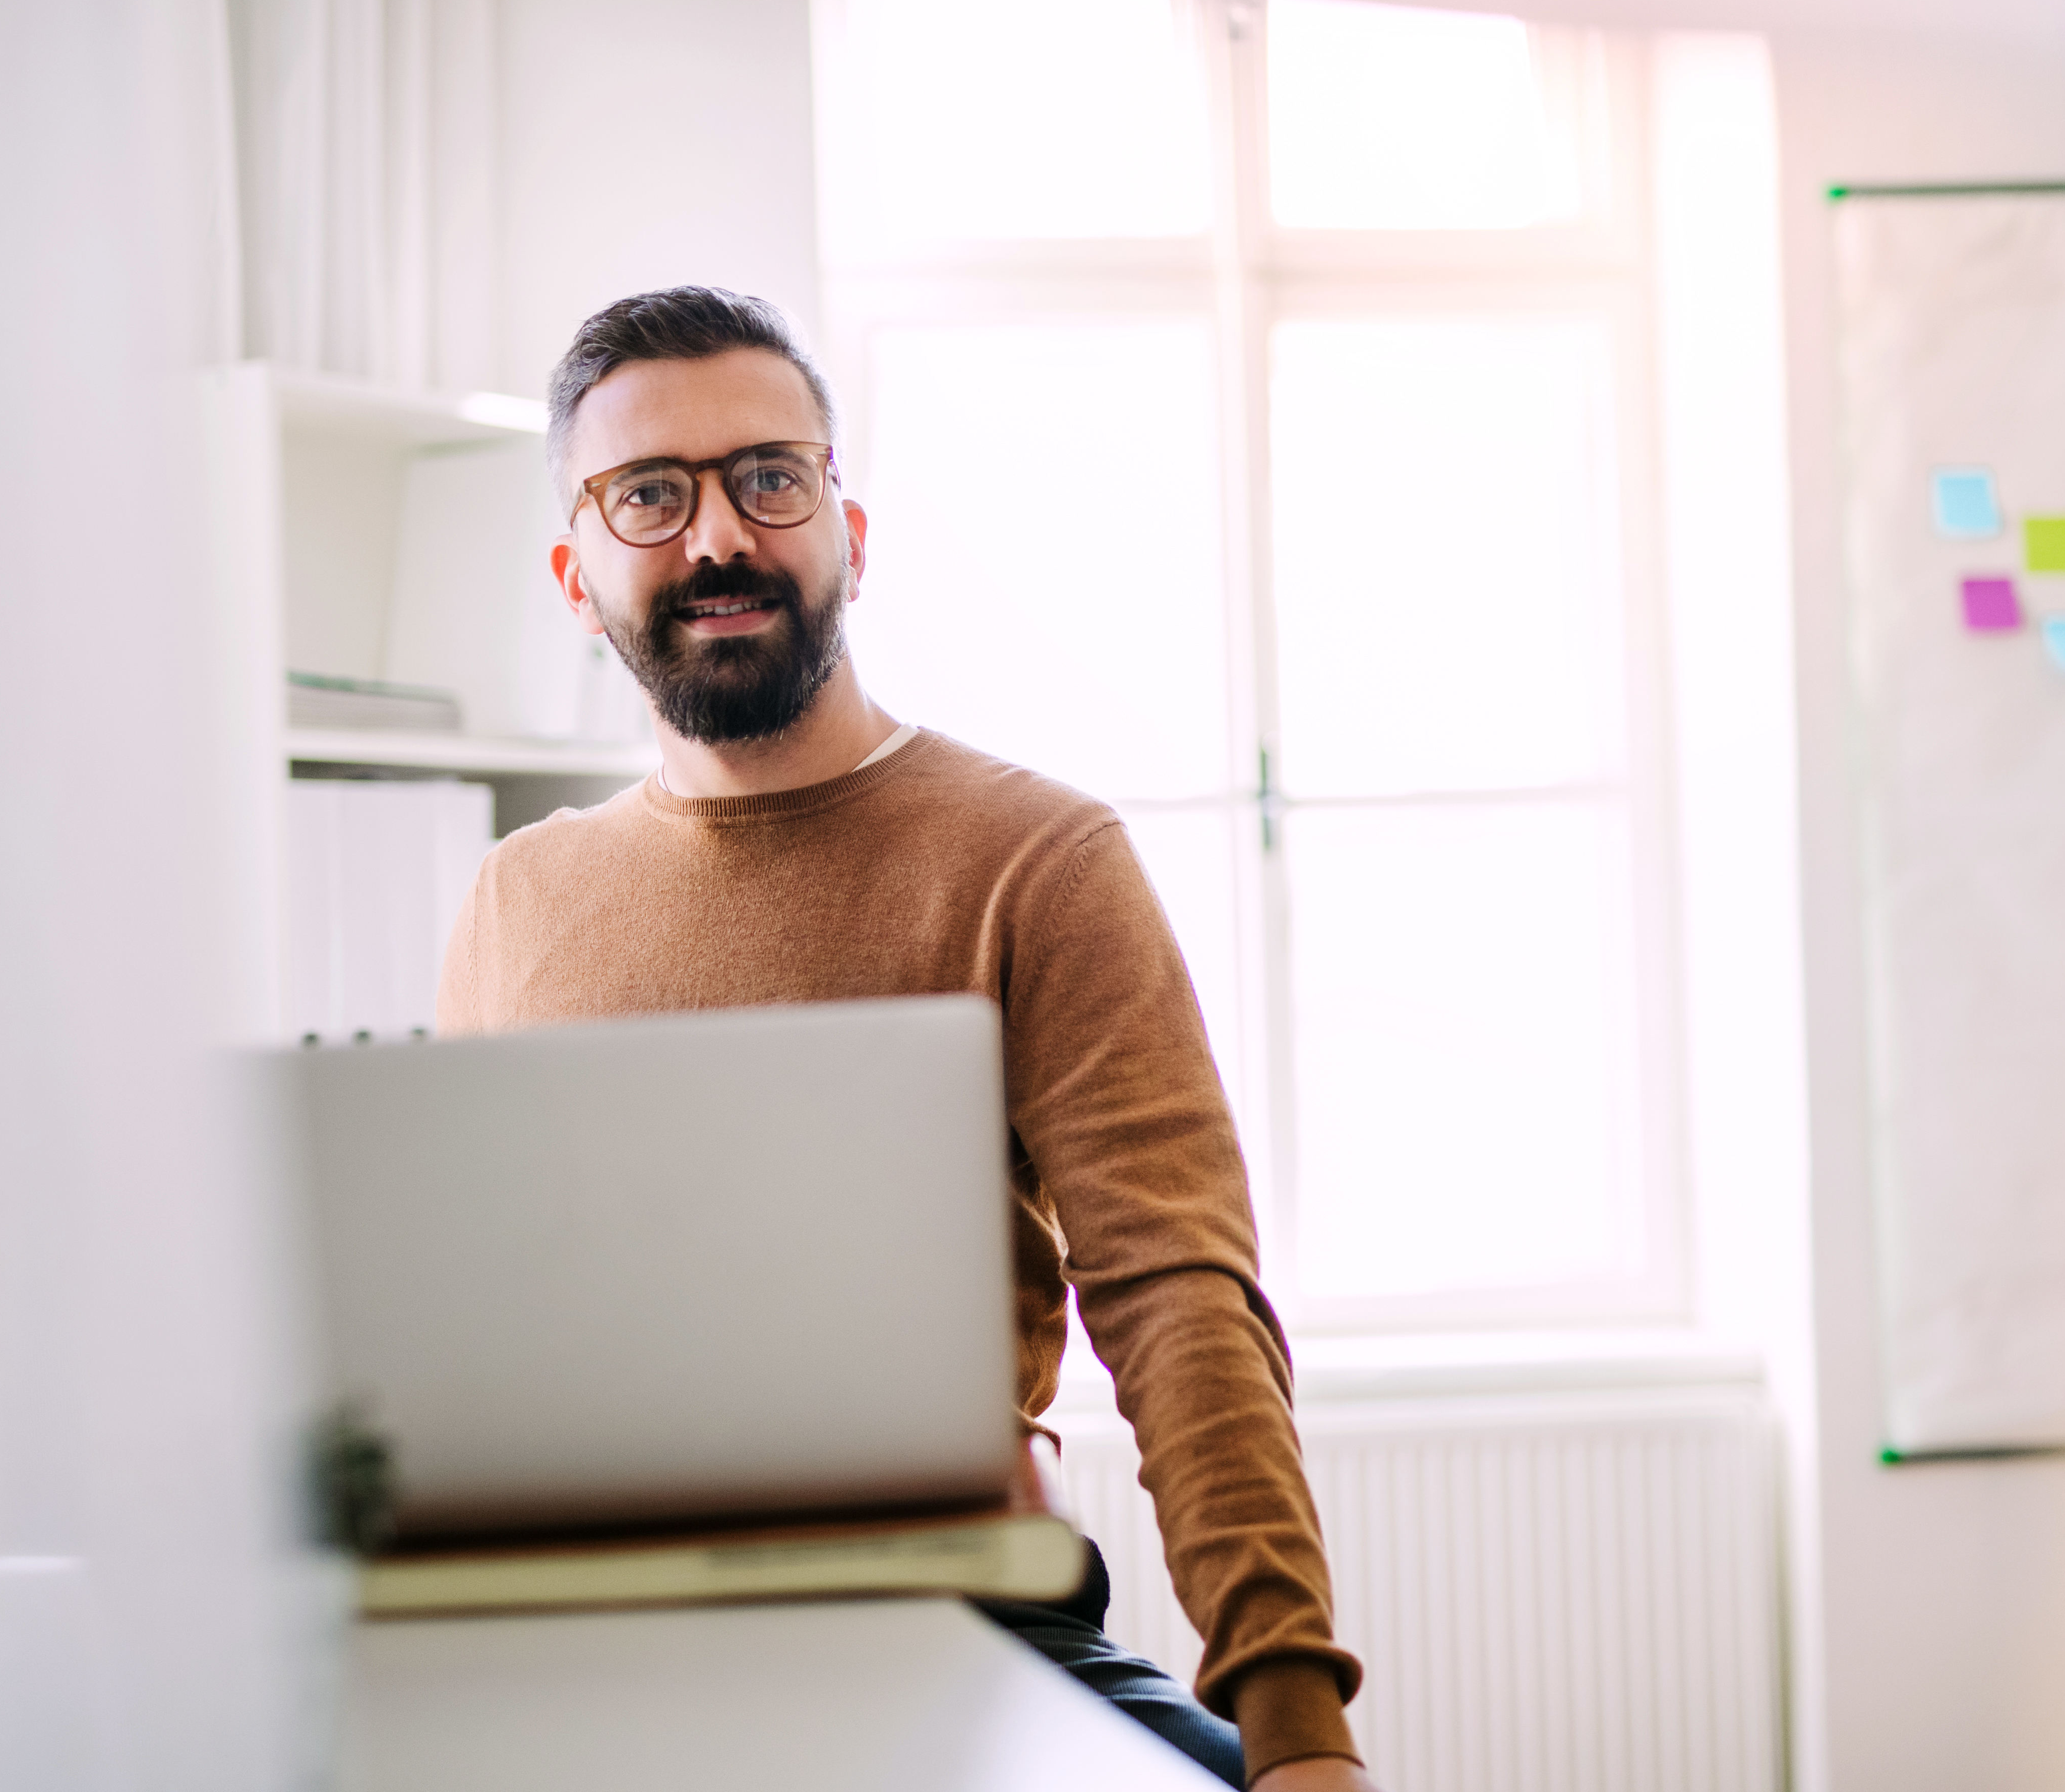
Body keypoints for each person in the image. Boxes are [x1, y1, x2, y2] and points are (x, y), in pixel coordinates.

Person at [436, 286, 1380, 1791]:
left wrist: (1296, 1734)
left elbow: (1178, 1302)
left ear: (849, 532)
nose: (720, 538)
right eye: (649, 497)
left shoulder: (1038, 859)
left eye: (770, 476)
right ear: (575, 572)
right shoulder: (515, 898)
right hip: (602, 1646)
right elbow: (464, 1349)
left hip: (958, 1625)